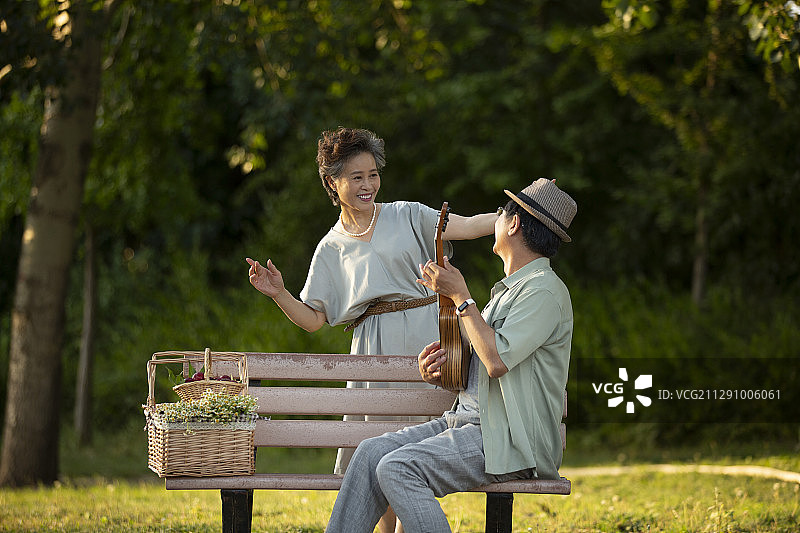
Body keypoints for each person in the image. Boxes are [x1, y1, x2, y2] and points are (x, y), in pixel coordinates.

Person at [246, 127, 497, 533]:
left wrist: (519, 212)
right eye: (356, 177)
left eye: (373, 174)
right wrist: (279, 293)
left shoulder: (407, 213)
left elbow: (467, 226)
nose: (368, 185)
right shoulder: (330, 247)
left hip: (430, 339)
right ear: (333, 182)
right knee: (379, 451)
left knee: (418, 455)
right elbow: (314, 319)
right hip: (374, 352)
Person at [324, 178, 577, 533]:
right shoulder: (508, 292)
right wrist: (442, 372)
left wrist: (462, 297)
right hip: (467, 424)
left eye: (503, 212)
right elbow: (478, 367)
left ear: (515, 224)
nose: (498, 219)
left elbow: (496, 361)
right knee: (370, 454)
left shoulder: (544, 293)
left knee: (398, 468)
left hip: (507, 441)